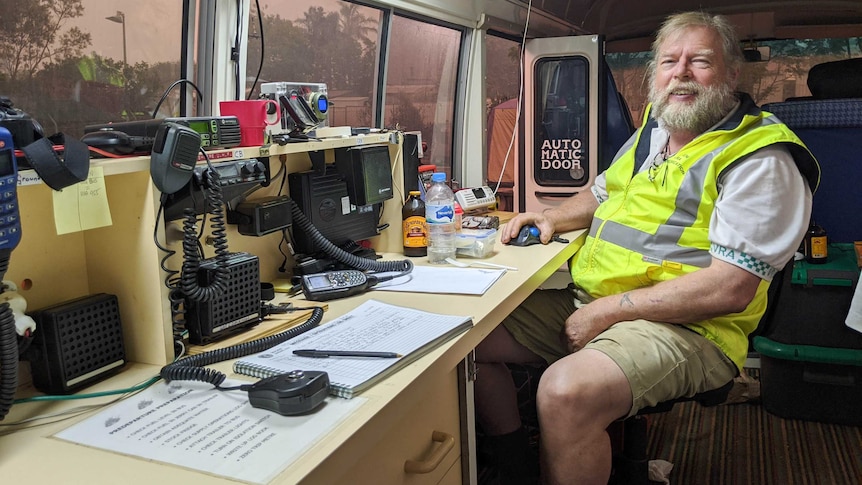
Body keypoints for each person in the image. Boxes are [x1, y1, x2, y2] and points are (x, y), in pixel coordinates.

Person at [475, 11, 820, 485]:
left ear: (732, 74)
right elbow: (599, 194)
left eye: (699, 61)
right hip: (599, 301)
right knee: (469, 340)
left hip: (695, 328)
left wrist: (607, 312)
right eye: (668, 62)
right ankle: (513, 463)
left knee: (565, 392)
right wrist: (551, 217)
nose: (680, 73)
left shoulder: (760, 157)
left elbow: (731, 288)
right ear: (655, 73)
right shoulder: (653, 135)